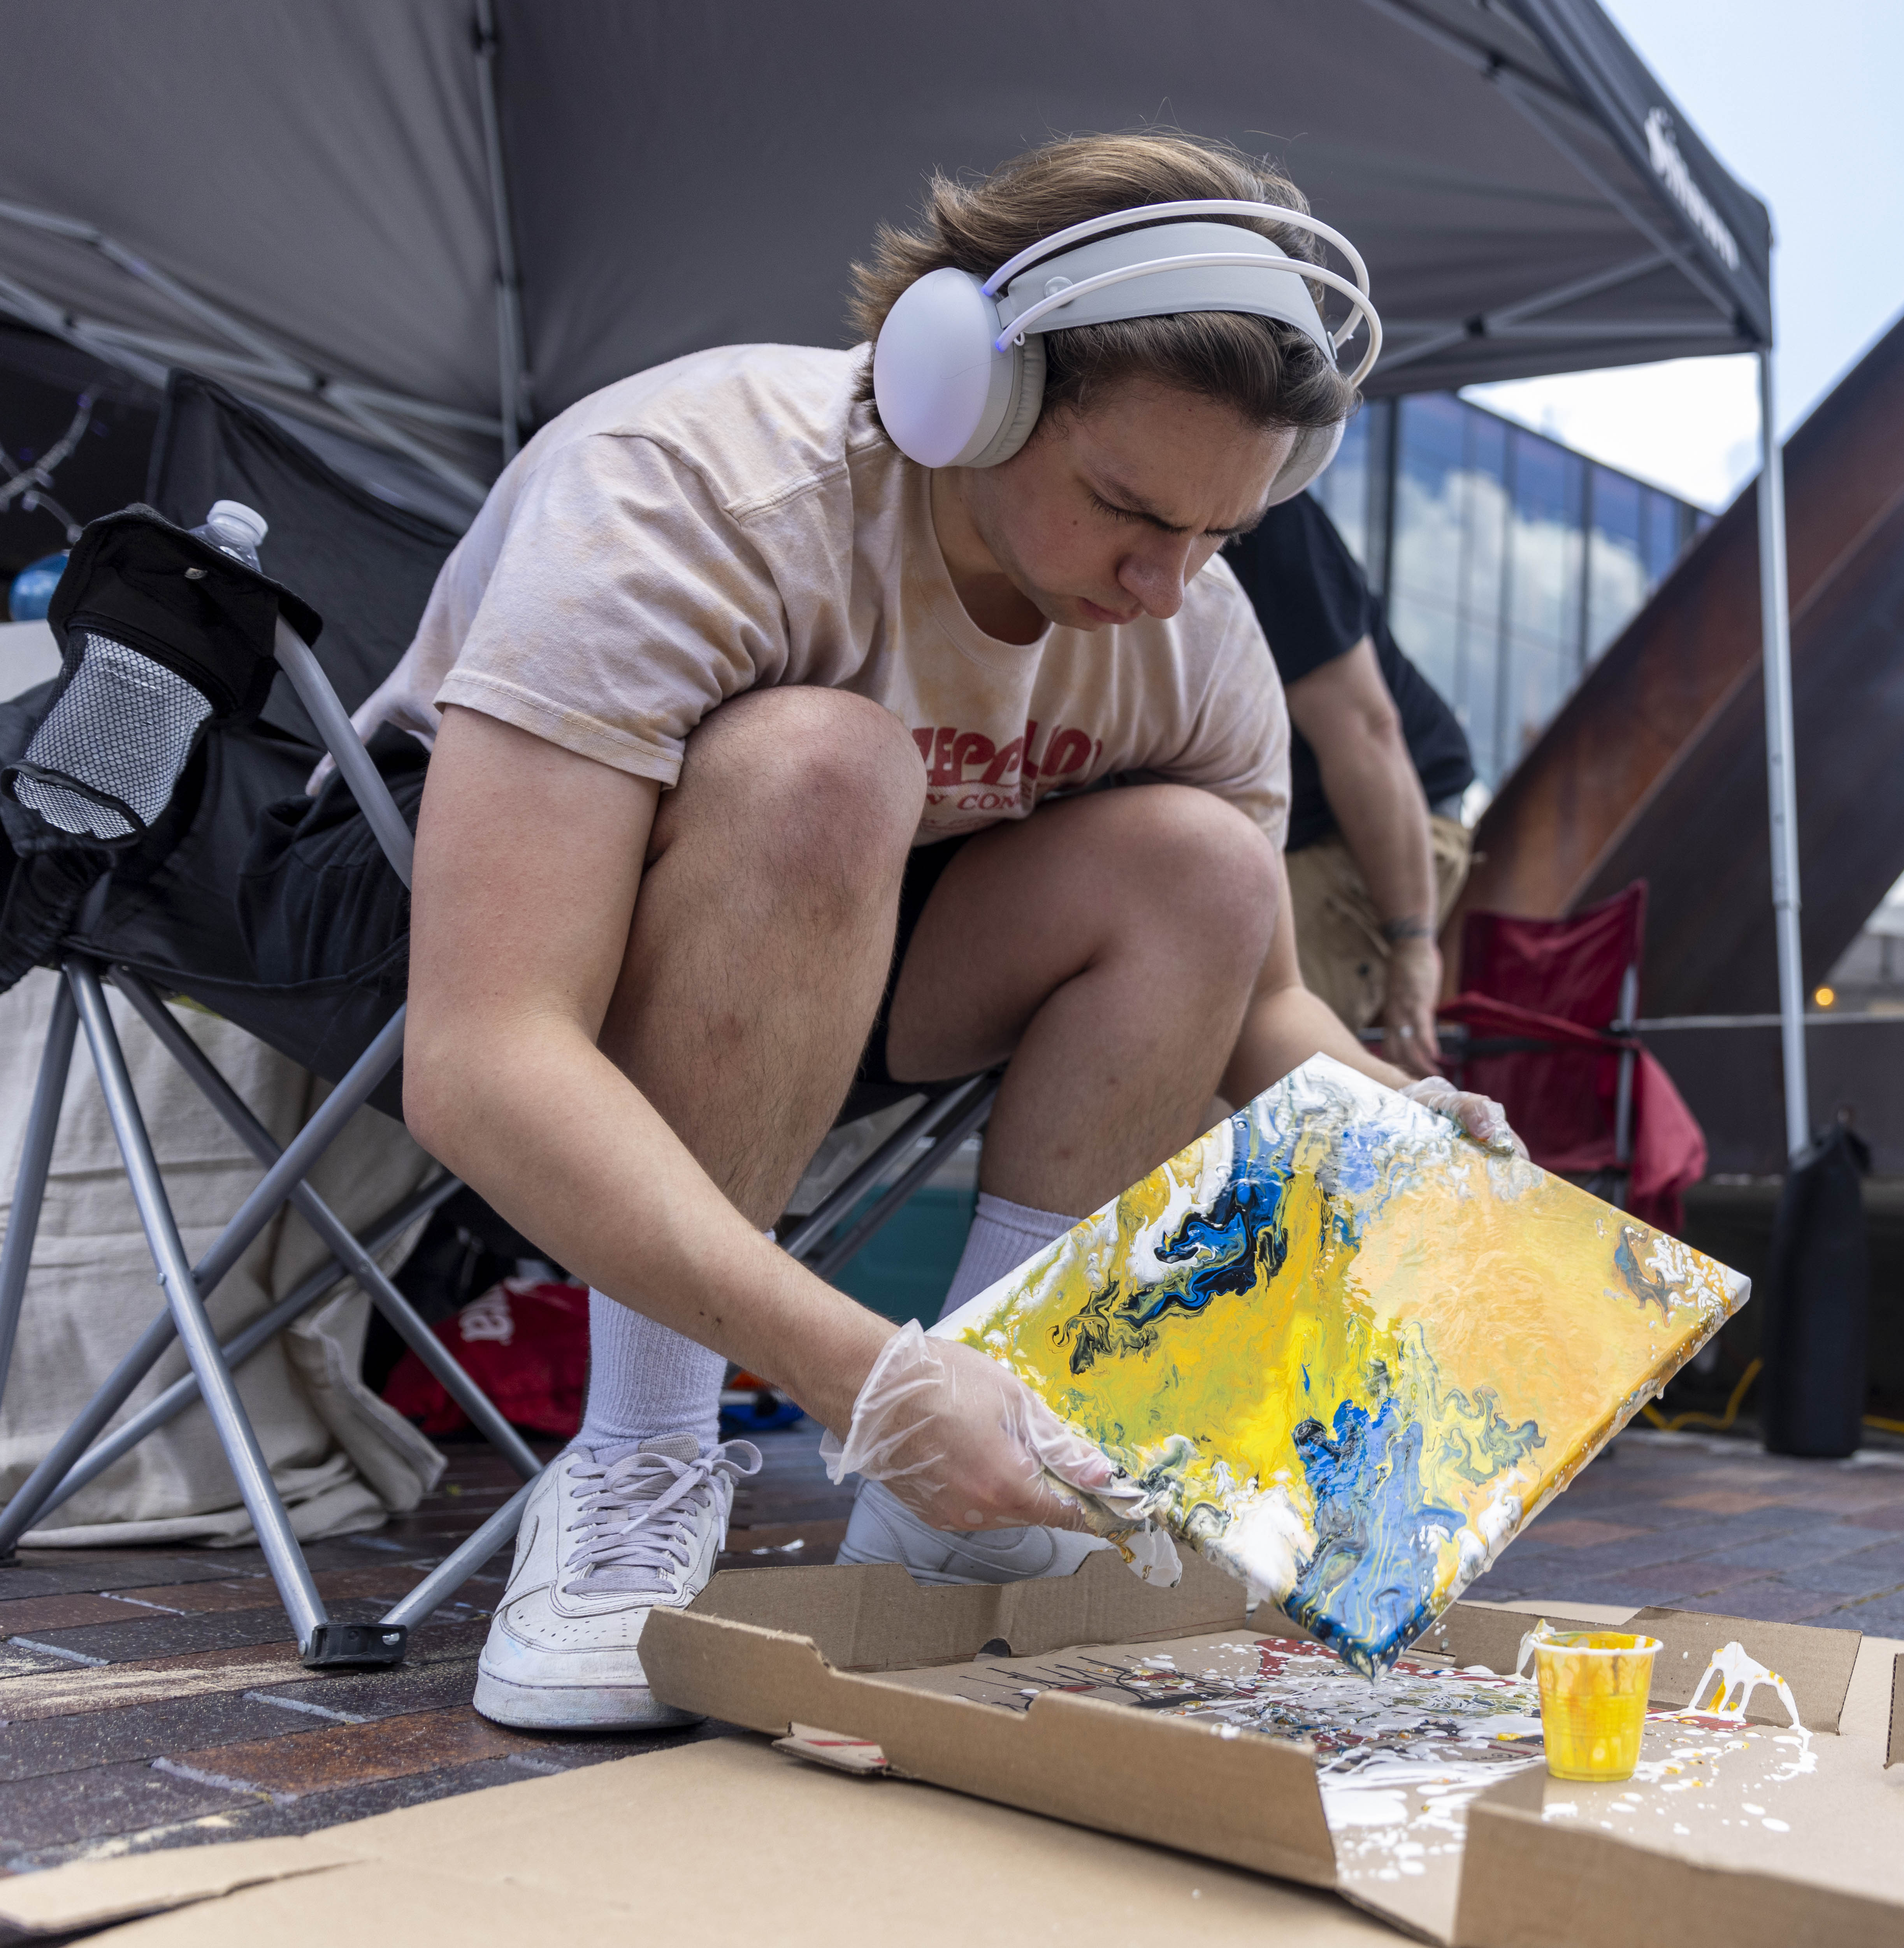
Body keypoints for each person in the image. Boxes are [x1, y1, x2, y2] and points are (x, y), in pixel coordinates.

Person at [180, 133, 1508, 1730]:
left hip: (824, 961)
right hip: (429, 930)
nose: (1167, 590)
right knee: (823, 763)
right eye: (1127, 514)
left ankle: (996, 1455)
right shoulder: (688, 488)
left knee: (1206, 868)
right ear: (968, 387)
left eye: (1220, 537)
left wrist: (1392, 1108)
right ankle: (638, 1468)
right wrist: (865, 1381)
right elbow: (485, 1054)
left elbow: (1263, 999)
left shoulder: (1189, 633)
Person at [1221, 494, 1474, 1075]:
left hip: (1381, 823)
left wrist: (1411, 941)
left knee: (1226, 1025)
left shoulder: (1268, 516)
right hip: (1274, 828)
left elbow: (1364, 731)